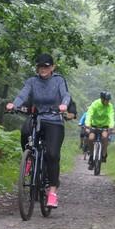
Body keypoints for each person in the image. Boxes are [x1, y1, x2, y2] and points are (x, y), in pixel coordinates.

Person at [6, 53, 70, 209]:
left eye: (46, 66)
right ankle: (29, 157)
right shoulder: (32, 81)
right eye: (40, 66)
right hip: (37, 118)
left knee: (52, 154)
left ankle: (52, 192)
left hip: (54, 120)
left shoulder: (59, 80)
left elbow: (66, 95)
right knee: (25, 131)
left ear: (52, 67)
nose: (43, 69)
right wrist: (14, 104)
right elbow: (23, 94)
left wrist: (64, 105)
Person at [85, 91, 115, 169]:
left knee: (104, 137)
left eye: (108, 100)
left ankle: (104, 154)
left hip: (104, 126)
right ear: (102, 99)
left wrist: (111, 126)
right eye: (106, 100)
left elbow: (111, 116)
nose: (108, 101)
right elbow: (89, 114)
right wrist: (87, 124)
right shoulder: (95, 104)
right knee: (91, 138)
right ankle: (91, 155)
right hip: (94, 125)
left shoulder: (110, 106)